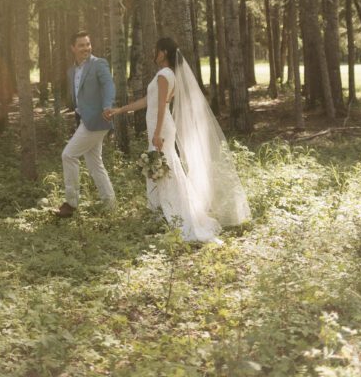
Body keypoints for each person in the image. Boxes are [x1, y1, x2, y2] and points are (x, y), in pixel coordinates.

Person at [105, 37, 250, 242]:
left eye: (156, 50)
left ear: (163, 52)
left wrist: (156, 133)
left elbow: (163, 106)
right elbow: (149, 101)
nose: (153, 53)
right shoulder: (166, 74)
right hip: (159, 126)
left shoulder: (165, 75)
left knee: (166, 168)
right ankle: (163, 211)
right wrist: (121, 110)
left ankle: (174, 212)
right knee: (162, 168)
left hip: (161, 127)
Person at [55, 31, 116, 218]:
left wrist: (107, 105)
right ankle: (110, 204)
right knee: (94, 163)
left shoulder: (99, 64)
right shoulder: (71, 71)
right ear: (73, 48)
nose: (86, 48)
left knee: (68, 155)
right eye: (81, 45)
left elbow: (108, 85)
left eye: (88, 44)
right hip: (85, 120)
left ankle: (71, 203)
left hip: (98, 119)